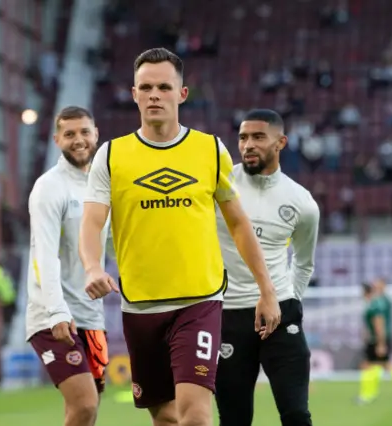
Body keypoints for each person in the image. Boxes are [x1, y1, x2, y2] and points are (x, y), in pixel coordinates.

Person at [79, 48, 281, 426]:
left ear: (182, 94)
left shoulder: (210, 150)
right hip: (140, 305)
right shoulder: (110, 156)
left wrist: (266, 291)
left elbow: (239, 223)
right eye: (146, 87)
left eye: (163, 87)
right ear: (134, 94)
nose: (154, 94)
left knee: (195, 417)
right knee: (167, 419)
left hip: (199, 302)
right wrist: (92, 267)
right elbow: (91, 222)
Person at [213, 109, 319, 426]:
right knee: (234, 418)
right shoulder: (218, 186)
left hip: (279, 312)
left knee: (297, 414)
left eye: (258, 137)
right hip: (228, 314)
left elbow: (304, 262)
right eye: (243, 137)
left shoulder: (302, 202)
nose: (248, 145)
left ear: (281, 142)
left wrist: (289, 300)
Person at [26, 106, 112, 426]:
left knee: (84, 413)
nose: (79, 140)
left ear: (96, 135)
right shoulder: (50, 187)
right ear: (56, 139)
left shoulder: (101, 186)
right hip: (55, 315)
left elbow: (114, 244)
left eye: (84, 132)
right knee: (85, 405)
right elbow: (44, 254)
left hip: (92, 315)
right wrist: (56, 311)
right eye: (70, 134)